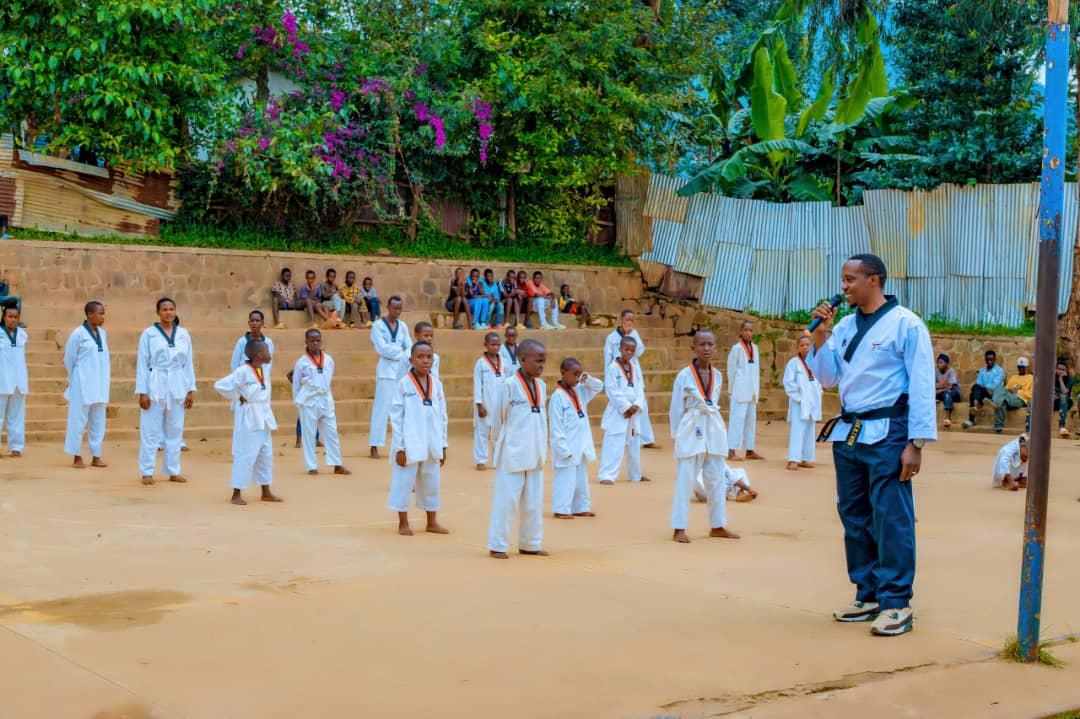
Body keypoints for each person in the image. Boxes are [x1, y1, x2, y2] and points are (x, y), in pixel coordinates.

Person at [808, 253, 936, 637]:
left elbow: (921, 384)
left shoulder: (906, 325)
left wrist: (916, 443)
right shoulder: (845, 326)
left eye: (850, 279)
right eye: (843, 279)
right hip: (849, 431)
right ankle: (868, 593)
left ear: (874, 280)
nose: (843, 286)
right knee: (854, 514)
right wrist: (820, 335)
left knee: (891, 516)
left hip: (890, 431)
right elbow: (828, 378)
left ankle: (897, 602)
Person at [669, 330, 739, 543]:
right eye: (702, 344)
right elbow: (675, 408)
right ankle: (678, 528)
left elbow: (712, 401)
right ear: (693, 348)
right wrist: (677, 434)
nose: (706, 349)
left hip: (713, 427)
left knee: (716, 478)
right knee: (685, 478)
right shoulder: (684, 375)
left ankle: (717, 525)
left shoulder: (718, 375)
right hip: (691, 427)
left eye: (710, 344)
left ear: (715, 347)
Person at [487, 339, 550, 559]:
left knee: (533, 502)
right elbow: (497, 418)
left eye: (544, 362)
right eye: (537, 361)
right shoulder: (509, 385)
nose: (541, 366)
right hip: (512, 451)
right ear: (522, 360)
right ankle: (498, 545)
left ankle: (530, 543)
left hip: (535, 450)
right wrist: (497, 445)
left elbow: (542, 420)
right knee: (506, 501)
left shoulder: (542, 387)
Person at [388, 341, 450, 536]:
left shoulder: (436, 383)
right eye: (420, 357)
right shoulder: (404, 384)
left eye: (429, 357)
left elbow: (442, 415)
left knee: (431, 481)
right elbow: (396, 417)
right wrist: (400, 447)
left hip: (432, 440)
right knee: (403, 482)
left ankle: (432, 521)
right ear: (411, 360)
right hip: (409, 441)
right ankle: (403, 522)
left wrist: (443, 443)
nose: (425, 361)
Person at [213, 339, 283, 505]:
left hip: (264, 416)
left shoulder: (264, 370)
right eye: (267, 350)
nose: (269, 353)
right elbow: (220, 385)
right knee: (245, 455)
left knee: (265, 455)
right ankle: (236, 493)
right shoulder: (243, 371)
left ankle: (266, 491)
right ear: (259, 354)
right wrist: (238, 396)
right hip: (249, 417)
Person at [135, 298, 195, 486]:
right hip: (155, 382)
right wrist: (142, 391)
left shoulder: (184, 334)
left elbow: (188, 364)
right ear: (157, 312)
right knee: (150, 430)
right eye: (164, 309)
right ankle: (147, 471)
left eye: (171, 309)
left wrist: (190, 390)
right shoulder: (149, 334)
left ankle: (173, 470)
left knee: (175, 430)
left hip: (177, 383)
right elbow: (142, 364)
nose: (168, 313)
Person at [550, 357, 604, 518]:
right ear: (563, 373)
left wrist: (586, 378)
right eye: (574, 374)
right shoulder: (557, 397)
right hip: (566, 444)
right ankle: (561, 509)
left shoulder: (580, 390)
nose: (577, 378)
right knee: (565, 478)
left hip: (581, 443)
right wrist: (562, 448)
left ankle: (580, 507)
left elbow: (599, 387)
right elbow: (556, 427)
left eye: (579, 374)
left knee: (581, 479)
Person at [292, 329, 350, 476]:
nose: (315, 343)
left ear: (321, 341)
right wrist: (299, 403)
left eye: (317, 340)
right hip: (309, 400)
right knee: (309, 433)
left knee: (331, 432)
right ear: (306, 342)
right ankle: (311, 466)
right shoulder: (302, 363)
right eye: (312, 340)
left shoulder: (329, 360)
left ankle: (337, 464)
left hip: (325, 398)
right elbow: (296, 385)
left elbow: (327, 379)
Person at [64, 301, 111, 469]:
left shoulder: (103, 334)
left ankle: (96, 455)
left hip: (100, 384)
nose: (103, 317)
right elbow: (69, 359)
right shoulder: (78, 334)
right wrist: (75, 378)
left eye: (104, 313)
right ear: (90, 314)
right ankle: (76, 456)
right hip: (81, 383)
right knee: (77, 420)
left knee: (98, 421)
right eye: (100, 313)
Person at [603, 310, 657, 448]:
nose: (629, 323)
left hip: (633, 373)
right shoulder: (611, 338)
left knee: (640, 405)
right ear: (621, 319)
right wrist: (609, 378)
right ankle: (618, 434)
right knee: (619, 404)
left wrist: (629, 335)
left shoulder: (634, 334)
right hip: (617, 374)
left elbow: (639, 352)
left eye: (632, 320)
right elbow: (607, 358)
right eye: (627, 320)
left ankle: (647, 438)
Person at [598, 336, 647, 484]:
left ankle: (635, 475)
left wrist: (637, 405)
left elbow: (640, 387)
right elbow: (612, 390)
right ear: (619, 349)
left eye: (632, 351)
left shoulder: (634, 367)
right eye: (626, 349)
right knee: (614, 444)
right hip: (619, 412)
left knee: (634, 446)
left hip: (634, 412)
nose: (629, 353)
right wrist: (626, 407)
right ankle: (607, 475)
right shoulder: (612, 368)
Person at [369, 296, 411, 459]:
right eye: (394, 308)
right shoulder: (378, 326)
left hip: (401, 372)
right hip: (386, 371)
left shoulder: (403, 326)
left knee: (401, 409)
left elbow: (409, 347)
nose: (397, 311)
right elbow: (382, 348)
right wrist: (400, 352)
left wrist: (401, 352)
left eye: (400, 308)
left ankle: (400, 444)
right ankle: (374, 444)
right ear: (388, 307)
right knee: (381, 409)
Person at [783, 334, 822, 471]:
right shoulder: (793, 363)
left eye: (807, 345)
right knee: (798, 430)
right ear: (797, 347)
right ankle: (793, 459)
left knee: (809, 430)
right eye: (802, 345)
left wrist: (818, 395)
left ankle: (806, 458)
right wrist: (798, 397)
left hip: (812, 401)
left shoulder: (815, 362)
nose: (805, 347)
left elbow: (818, 381)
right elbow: (788, 382)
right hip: (799, 401)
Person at [727, 320, 764, 461]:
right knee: (737, 420)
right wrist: (731, 390)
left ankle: (750, 450)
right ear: (741, 332)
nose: (748, 332)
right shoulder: (736, 348)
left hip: (752, 390)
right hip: (739, 390)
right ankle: (731, 451)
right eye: (746, 330)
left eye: (750, 330)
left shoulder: (755, 348)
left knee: (750, 421)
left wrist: (757, 390)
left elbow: (755, 371)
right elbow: (731, 370)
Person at [473, 332, 504, 471]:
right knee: (482, 432)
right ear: (486, 345)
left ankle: (497, 460)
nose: (495, 347)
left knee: (498, 433)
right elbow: (477, 385)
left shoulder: (504, 361)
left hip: (500, 403)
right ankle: (480, 460)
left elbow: (509, 382)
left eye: (498, 344)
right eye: (492, 344)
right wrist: (479, 405)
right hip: (485, 403)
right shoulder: (480, 363)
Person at [0, 305, 28, 457]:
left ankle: (16, 447)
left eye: (15, 317)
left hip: (19, 380)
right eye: (10, 317)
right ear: (4, 317)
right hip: (2, 379)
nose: (13, 320)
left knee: (17, 416)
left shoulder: (22, 335)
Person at [961, 350, 1004, 429]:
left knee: (975, 390)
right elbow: (979, 382)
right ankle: (975, 409)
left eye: (991, 360)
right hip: (983, 393)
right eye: (988, 360)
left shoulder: (999, 370)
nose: (989, 361)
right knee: (974, 391)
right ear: (985, 360)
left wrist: (985, 387)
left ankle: (972, 415)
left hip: (993, 394)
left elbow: (996, 385)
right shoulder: (982, 371)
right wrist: (984, 387)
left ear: (995, 360)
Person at [991, 357, 1032, 433]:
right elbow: (1005, 390)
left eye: (1023, 367)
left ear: (1027, 367)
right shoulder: (1013, 377)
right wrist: (1009, 390)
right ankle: (998, 425)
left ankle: (995, 402)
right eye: (1019, 367)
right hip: (1009, 396)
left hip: (1020, 399)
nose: (1021, 369)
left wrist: (1017, 392)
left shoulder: (1031, 378)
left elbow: (1031, 394)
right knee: (999, 388)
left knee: (1002, 399)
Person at [935, 354, 962, 427]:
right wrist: (940, 385)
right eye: (938, 362)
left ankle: (948, 418)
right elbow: (932, 385)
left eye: (941, 362)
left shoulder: (951, 371)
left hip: (955, 394)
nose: (938, 364)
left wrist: (939, 388)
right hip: (942, 392)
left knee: (947, 393)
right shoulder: (936, 371)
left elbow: (950, 387)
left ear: (946, 364)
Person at [1053, 359, 1074, 437]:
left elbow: (1065, 392)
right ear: (1055, 369)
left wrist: (1061, 379)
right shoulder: (1051, 377)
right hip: (1053, 401)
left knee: (1063, 396)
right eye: (1059, 369)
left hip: (1064, 402)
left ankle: (1062, 426)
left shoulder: (1069, 379)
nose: (1061, 371)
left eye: (1063, 369)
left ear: (1066, 370)